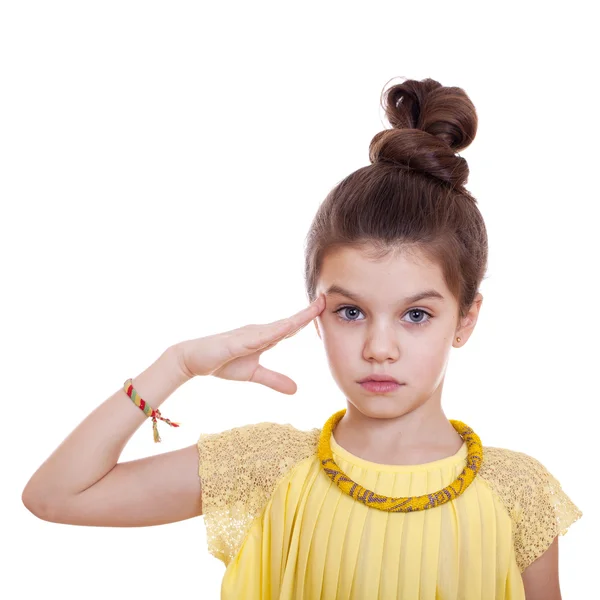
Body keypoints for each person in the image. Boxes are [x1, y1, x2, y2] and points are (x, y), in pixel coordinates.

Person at [21, 77, 582, 599]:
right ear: (315, 314)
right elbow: (55, 495)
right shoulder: (266, 466)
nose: (378, 348)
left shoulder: (519, 493)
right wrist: (178, 364)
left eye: (415, 315)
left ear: (465, 318)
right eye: (350, 312)